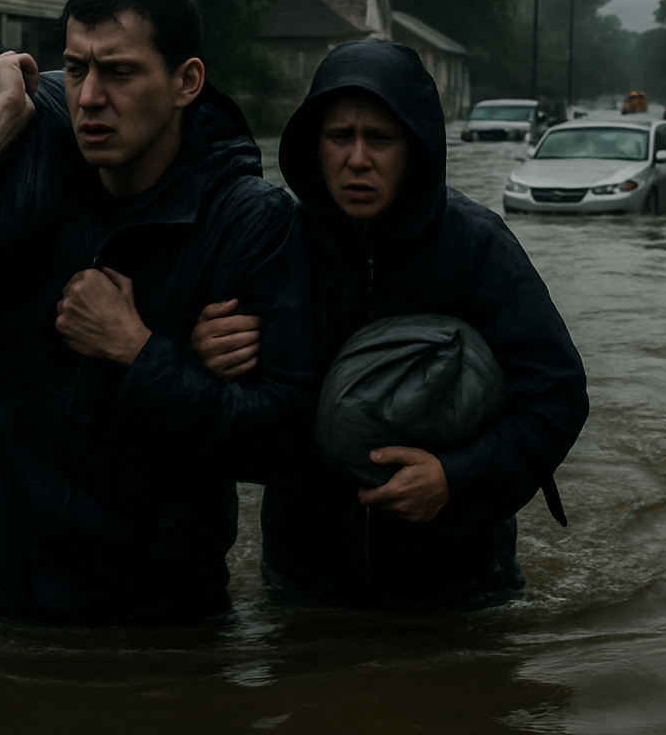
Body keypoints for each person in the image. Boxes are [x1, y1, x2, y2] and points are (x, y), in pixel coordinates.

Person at [0, 0, 313, 624]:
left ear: (186, 83)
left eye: (119, 72)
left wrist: (141, 351)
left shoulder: (251, 223)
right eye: (76, 68)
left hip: (156, 607)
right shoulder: (26, 181)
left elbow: (281, 442)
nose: (88, 96)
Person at [192, 39, 590, 607]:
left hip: (459, 585)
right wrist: (203, 357)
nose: (358, 159)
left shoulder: (477, 246)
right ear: (313, 145)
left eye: (380, 138)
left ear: (417, 147)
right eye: (339, 138)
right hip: (306, 581)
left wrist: (456, 478)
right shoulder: (274, 245)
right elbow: (244, 415)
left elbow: (557, 395)